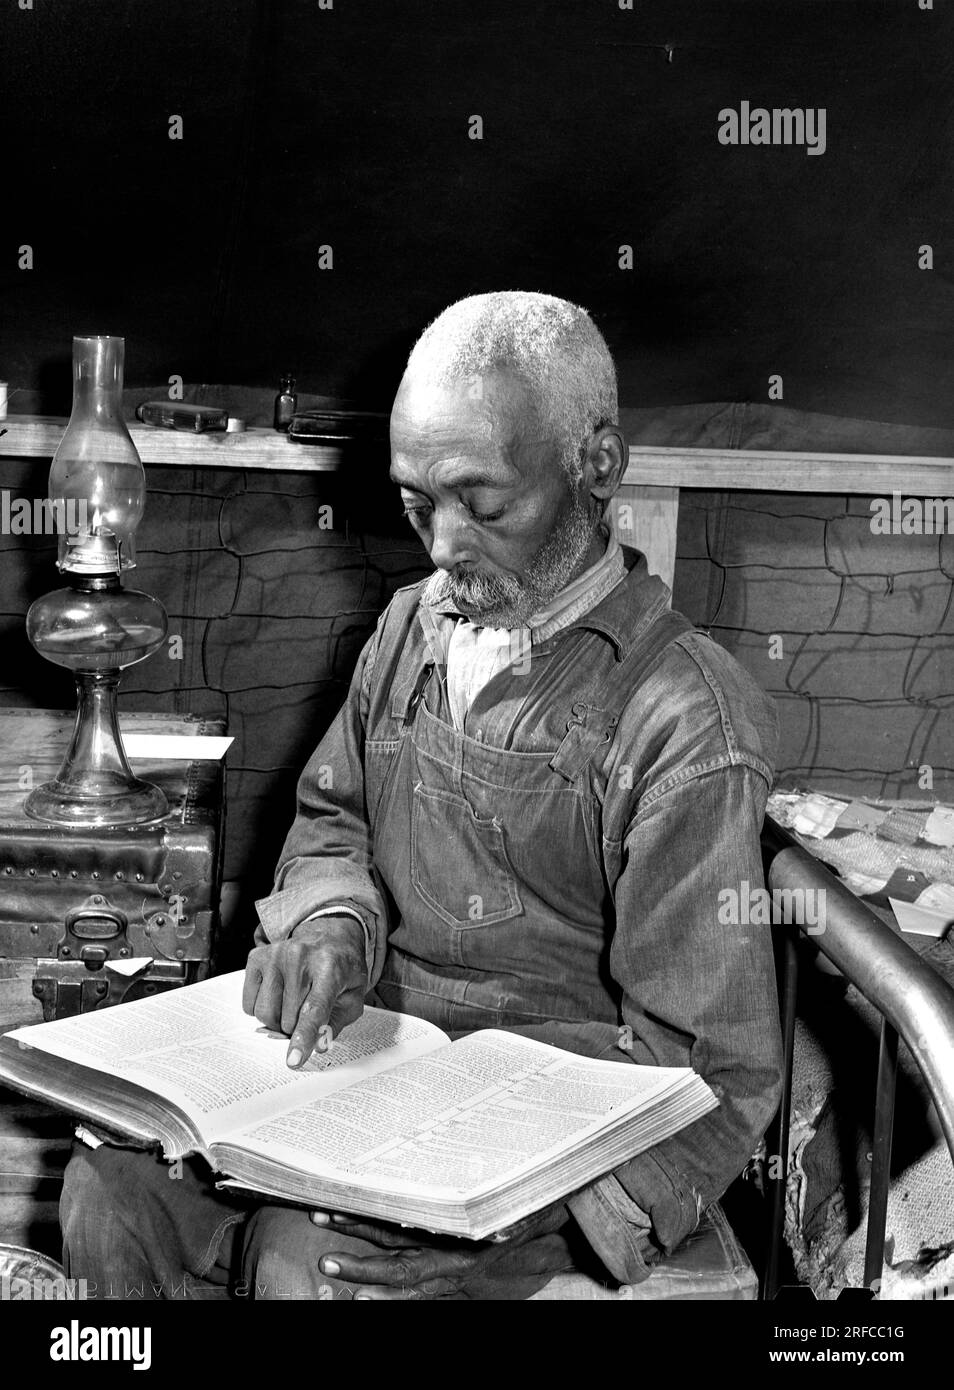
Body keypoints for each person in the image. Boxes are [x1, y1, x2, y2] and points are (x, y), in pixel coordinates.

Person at [61, 290, 783, 1300]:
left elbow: (713, 1069)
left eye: (483, 505)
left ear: (597, 465)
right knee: (105, 1189)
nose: (442, 545)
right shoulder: (409, 629)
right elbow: (333, 822)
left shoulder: (685, 720)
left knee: (301, 1261)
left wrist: (511, 1236)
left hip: (527, 1159)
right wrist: (332, 934)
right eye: (415, 503)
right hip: (367, 1082)